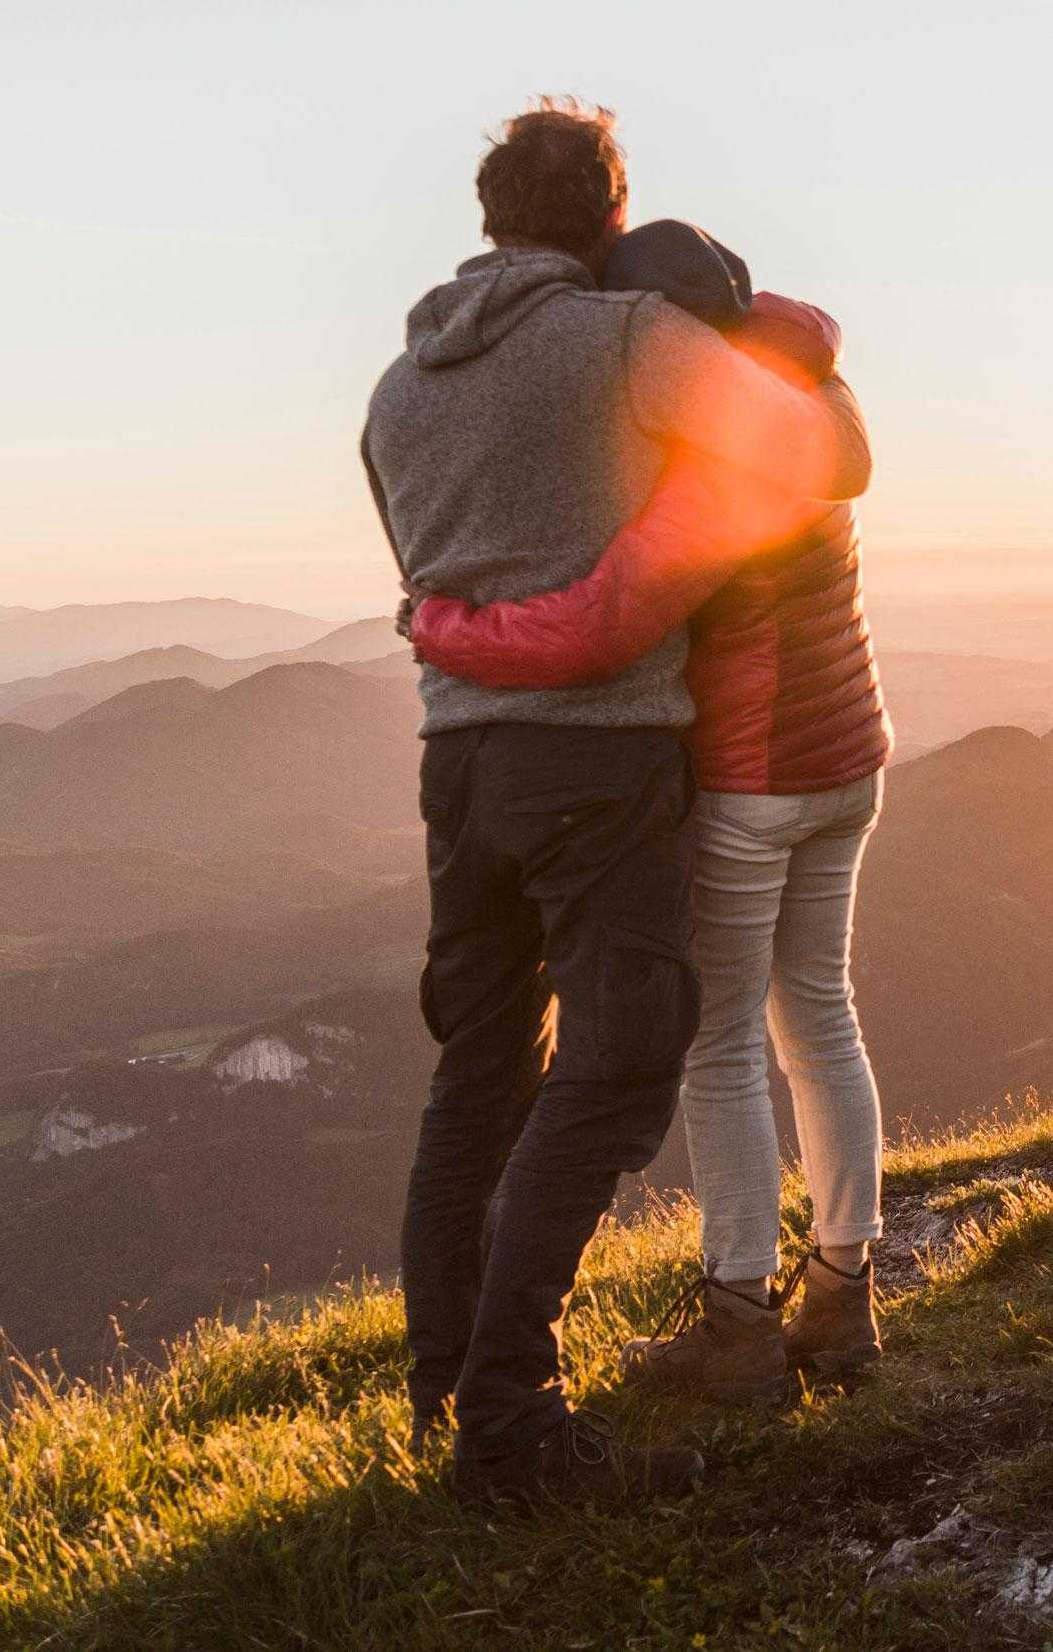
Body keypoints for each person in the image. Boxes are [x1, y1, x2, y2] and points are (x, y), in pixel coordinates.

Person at [360, 101, 871, 1504]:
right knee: (628, 1056)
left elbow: (426, 569)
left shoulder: (397, 387)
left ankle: (445, 1389)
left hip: (459, 764)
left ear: (489, 219)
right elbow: (825, 461)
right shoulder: (630, 341)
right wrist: (776, 332)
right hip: (598, 759)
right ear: (606, 217)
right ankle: (512, 1422)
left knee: (478, 1071)